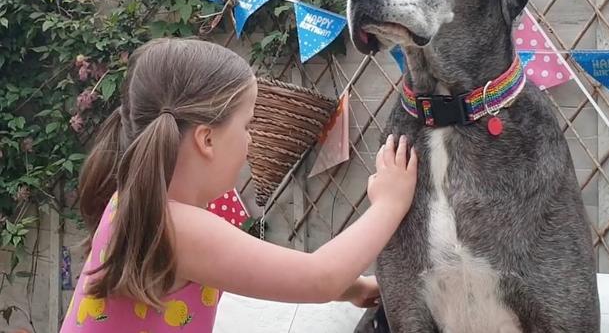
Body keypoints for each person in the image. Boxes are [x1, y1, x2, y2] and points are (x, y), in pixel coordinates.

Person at [60, 37, 417, 332]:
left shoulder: (135, 203)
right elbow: (319, 278)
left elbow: (271, 268)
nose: (250, 140)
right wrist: (389, 203)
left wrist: (353, 288)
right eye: (246, 125)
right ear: (207, 140)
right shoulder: (177, 228)